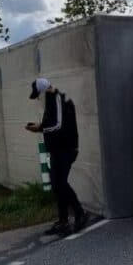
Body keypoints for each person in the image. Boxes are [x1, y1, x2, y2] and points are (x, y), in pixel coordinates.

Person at [25, 77, 88, 235]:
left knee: (61, 183)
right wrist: (40, 127)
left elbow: (57, 125)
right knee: (56, 184)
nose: (38, 98)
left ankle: (80, 213)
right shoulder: (51, 102)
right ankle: (63, 220)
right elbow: (52, 124)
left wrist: (40, 128)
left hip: (66, 149)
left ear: (45, 90)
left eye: (38, 94)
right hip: (56, 150)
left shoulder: (59, 99)